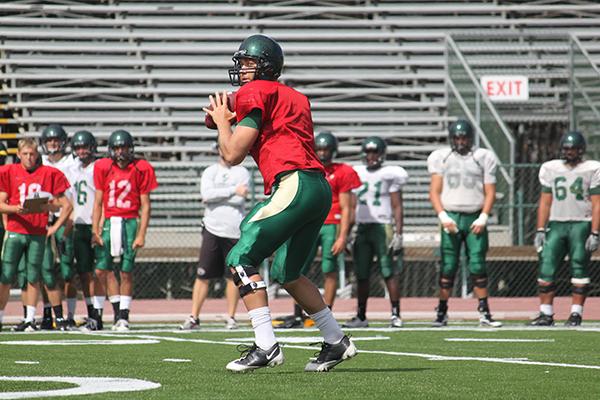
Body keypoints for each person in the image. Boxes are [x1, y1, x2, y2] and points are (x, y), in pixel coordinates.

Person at [203, 34, 356, 372]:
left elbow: (232, 154)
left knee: (241, 257)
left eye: (247, 62)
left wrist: (224, 122)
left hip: (294, 182)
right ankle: (336, 340)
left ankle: (266, 345)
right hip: (317, 187)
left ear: (265, 65)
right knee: (288, 273)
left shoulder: (254, 92)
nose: (241, 69)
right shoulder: (295, 96)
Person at [272, 131, 361, 329]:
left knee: (329, 269)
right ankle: (298, 314)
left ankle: (325, 312)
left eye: (326, 149)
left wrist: (343, 236)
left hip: (332, 225)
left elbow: (348, 207)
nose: (322, 153)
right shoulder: (308, 169)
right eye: (319, 149)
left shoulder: (343, 171)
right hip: (309, 223)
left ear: (334, 150)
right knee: (296, 267)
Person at [427, 119, 502, 328]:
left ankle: (484, 312)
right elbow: (434, 191)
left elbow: (490, 191)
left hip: (474, 216)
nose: (461, 141)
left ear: (471, 138)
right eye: (457, 137)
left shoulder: (483, 156)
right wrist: (443, 216)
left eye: (464, 137)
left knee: (478, 265)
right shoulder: (441, 157)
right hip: (451, 216)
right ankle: (441, 312)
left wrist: (484, 217)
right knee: (448, 266)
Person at [0, 138, 72, 332]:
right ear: (19, 155)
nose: (29, 158)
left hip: (38, 232)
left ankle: (30, 319)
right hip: (16, 230)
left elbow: (66, 205)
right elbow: (1, 204)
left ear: (37, 154)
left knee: (34, 276)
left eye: (32, 154)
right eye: (25, 154)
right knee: (5, 275)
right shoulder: (9, 172)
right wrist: (16, 208)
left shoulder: (48, 173)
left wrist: (54, 227)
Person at [530, 131, 600, 326]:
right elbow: (545, 201)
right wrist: (540, 229)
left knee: (579, 265)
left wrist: (595, 231)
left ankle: (576, 314)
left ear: (581, 150)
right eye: (566, 149)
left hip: (581, 223)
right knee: (546, 265)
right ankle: (546, 314)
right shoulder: (551, 168)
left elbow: (597, 203)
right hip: (556, 222)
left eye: (573, 149)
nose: (569, 152)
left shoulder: (592, 168)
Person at [92, 129, 158, 332]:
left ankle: (123, 316)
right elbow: (98, 201)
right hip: (110, 222)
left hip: (130, 222)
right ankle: (96, 315)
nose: (121, 152)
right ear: (111, 150)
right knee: (101, 270)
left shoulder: (141, 167)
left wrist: (141, 234)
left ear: (131, 148)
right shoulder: (103, 166)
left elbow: (146, 205)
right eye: (117, 148)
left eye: (124, 147)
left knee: (126, 272)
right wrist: (95, 228)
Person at [179, 144, 249, 330]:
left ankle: (231, 317)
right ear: (218, 150)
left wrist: (221, 194)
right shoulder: (210, 171)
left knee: (232, 277)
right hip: (212, 228)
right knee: (203, 275)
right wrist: (233, 190)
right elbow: (206, 195)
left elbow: (240, 199)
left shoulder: (242, 171)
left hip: (234, 230)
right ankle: (194, 317)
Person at [342, 136, 407, 328]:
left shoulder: (390, 173)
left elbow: (397, 206)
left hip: (382, 226)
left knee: (388, 271)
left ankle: (396, 315)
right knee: (361, 274)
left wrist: (399, 233)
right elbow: (352, 206)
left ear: (382, 154)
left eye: (375, 152)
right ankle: (361, 316)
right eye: (368, 152)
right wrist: (346, 233)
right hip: (362, 227)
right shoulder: (357, 172)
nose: (371, 156)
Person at [65, 131, 105, 330]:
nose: (81, 151)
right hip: (79, 224)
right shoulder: (75, 169)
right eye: (78, 147)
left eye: (84, 147)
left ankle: (100, 315)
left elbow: (102, 199)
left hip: (95, 224)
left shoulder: (98, 167)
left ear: (92, 147)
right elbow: (71, 200)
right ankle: (91, 314)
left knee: (98, 272)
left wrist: (99, 226)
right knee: (83, 273)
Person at [40, 124, 78, 329]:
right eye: (49, 141)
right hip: (44, 219)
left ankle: (69, 314)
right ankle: (48, 313)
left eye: (56, 140)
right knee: (45, 268)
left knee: (66, 270)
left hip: (66, 217)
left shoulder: (72, 164)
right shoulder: (40, 163)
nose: (53, 144)